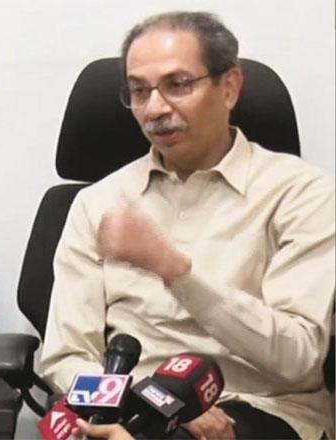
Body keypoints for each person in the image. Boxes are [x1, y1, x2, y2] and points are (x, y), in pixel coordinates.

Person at [40, 11, 334, 439]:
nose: (155, 109)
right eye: (139, 91)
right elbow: (66, 355)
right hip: (128, 403)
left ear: (229, 87)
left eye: (177, 85)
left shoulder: (300, 193)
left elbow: (298, 357)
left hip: (256, 405)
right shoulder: (98, 203)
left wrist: (174, 271)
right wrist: (148, 400)